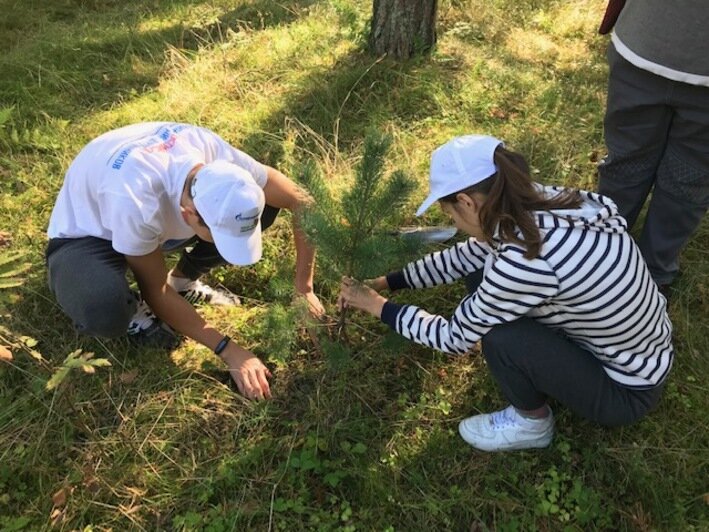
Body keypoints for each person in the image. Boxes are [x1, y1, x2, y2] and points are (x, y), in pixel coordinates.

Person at [338, 135, 673, 452]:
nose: (452, 221)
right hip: (645, 348)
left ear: (466, 202)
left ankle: (532, 424)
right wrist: (389, 281)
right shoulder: (539, 202)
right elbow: (469, 256)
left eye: (450, 212)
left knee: (499, 336)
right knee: (480, 275)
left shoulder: (526, 263)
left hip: (626, 390)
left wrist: (376, 305)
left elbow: (455, 337)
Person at [46, 122, 325, 400]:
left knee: (263, 210)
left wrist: (304, 288)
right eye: (217, 234)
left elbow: (303, 203)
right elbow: (154, 289)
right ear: (189, 214)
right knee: (102, 306)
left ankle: (182, 281)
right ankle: (130, 311)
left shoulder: (221, 162)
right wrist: (229, 351)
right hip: (88, 235)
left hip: (144, 210)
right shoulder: (138, 202)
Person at [597, 0, 709, 294]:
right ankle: (601, 253)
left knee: (689, 180)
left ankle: (653, 275)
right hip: (643, 48)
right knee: (624, 166)